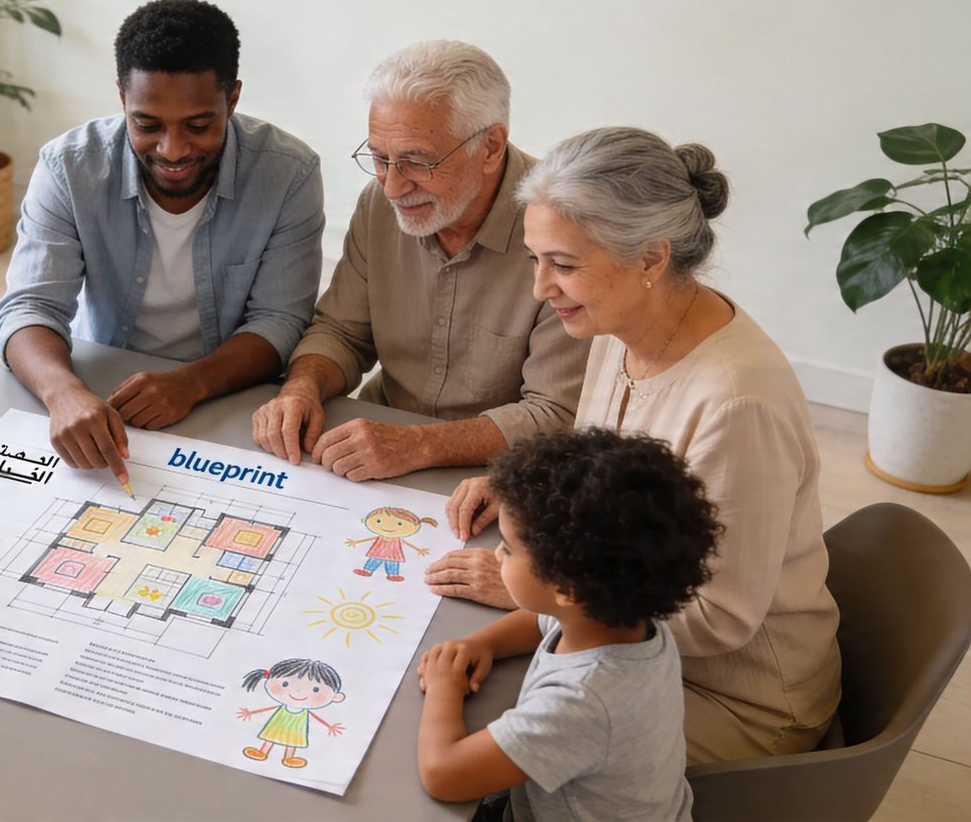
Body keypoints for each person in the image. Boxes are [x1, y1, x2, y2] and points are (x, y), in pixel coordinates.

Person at [433, 127, 842, 763]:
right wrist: (532, 496)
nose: (541, 288)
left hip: (737, 696)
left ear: (651, 259)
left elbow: (721, 617)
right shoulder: (617, 327)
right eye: (536, 259)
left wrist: (531, 592)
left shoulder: (737, 403)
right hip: (618, 641)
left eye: (563, 265)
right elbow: (605, 486)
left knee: (480, 743)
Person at [0, 0, 325, 489]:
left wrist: (192, 382)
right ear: (122, 98)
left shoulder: (288, 173)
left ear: (232, 100)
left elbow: (280, 321)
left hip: (230, 391)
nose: (172, 150)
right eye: (147, 125)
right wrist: (62, 391)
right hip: (99, 385)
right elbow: (29, 307)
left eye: (198, 125)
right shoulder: (68, 167)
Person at [251, 40, 587, 481]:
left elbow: (555, 411)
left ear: (490, 147)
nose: (392, 187)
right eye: (379, 158)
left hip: (499, 473)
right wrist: (301, 388)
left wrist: (420, 443)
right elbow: (341, 332)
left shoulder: (564, 231)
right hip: (380, 439)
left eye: (415, 162)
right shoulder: (379, 204)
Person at [417, 428, 718, 821]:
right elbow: (542, 621)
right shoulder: (628, 619)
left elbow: (444, 775)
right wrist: (483, 643)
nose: (496, 552)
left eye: (508, 548)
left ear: (566, 588)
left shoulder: (580, 702)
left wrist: (444, 686)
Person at [236, 657, 347, 769]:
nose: (298, 692)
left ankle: (289, 757)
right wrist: (251, 713)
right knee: (271, 735)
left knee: (293, 740)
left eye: (316, 690)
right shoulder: (284, 707)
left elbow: (315, 717)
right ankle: (262, 752)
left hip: (297, 726)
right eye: (285, 684)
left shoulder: (304, 712)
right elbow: (269, 708)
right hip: (278, 723)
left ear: (335, 696)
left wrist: (329, 726)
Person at [344, 506, 437, 582]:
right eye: (378, 521)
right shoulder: (381, 537)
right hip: (378, 551)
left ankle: (393, 574)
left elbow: (406, 543)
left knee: (392, 562)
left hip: (393, 553)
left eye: (399, 524)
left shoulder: (396, 539)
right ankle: (367, 570)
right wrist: (356, 542)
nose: (388, 527)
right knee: (374, 560)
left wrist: (419, 550)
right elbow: (370, 538)